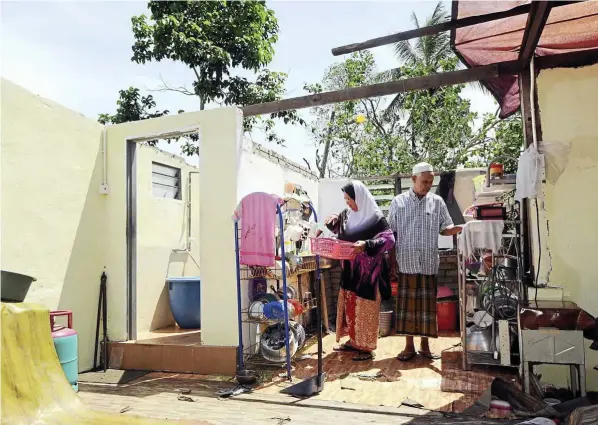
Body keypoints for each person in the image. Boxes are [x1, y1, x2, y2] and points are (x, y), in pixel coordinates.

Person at [389, 163, 463, 361]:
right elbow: (391, 233)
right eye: (424, 181)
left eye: (431, 182)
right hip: (406, 261)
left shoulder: (437, 202)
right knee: (407, 308)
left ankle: (425, 346)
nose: (428, 185)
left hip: (429, 262)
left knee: (427, 308)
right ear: (413, 179)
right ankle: (408, 347)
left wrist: (458, 229)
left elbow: (444, 229)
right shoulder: (398, 202)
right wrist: (391, 261)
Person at [325, 181, 395, 361]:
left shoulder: (376, 218)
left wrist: (367, 245)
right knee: (350, 305)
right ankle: (353, 340)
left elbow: (389, 240)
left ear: (360, 198)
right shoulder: (347, 215)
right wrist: (331, 223)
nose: (347, 202)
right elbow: (341, 232)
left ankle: (366, 347)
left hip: (367, 273)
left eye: (350, 199)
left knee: (365, 308)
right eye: (346, 199)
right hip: (349, 271)